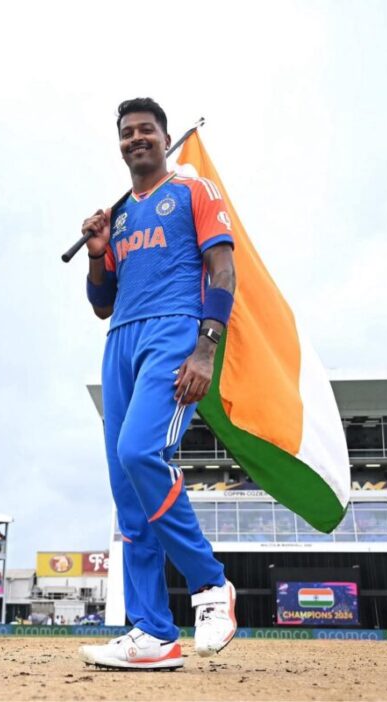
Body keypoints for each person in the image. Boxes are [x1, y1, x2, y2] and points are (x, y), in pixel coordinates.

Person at [77, 98, 237, 672]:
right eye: (127, 132)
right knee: (127, 492)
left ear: (166, 139)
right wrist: (98, 255)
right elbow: (101, 304)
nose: (135, 138)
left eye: (146, 129)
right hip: (120, 339)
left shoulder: (195, 192)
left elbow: (223, 272)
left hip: (175, 331)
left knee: (141, 452)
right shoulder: (118, 217)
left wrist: (205, 349)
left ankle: (211, 586)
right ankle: (152, 632)